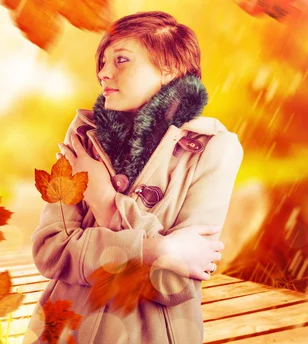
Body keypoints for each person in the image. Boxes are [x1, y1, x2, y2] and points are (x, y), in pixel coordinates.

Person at [24, 11, 244, 344]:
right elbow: (50, 248)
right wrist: (159, 249)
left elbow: (174, 284)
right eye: (103, 62)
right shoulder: (84, 138)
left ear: (170, 68)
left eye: (121, 60)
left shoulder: (214, 149)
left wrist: (106, 203)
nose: (103, 72)